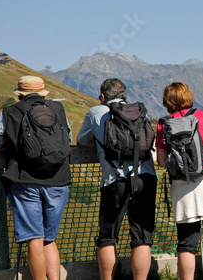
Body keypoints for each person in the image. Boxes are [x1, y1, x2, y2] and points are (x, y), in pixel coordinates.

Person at [0, 76, 71, 280]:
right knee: (50, 239)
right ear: (43, 93)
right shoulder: (58, 110)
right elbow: (66, 138)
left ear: (19, 95)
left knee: (34, 239)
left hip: (25, 182)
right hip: (58, 180)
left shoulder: (10, 112)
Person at [77, 78, 157, 280]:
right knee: (141, 239)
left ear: (102, 97)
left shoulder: (96, 112)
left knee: (107, 238)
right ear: (124, 96)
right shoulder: (139, 111)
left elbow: (81, 140)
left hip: (116, 180)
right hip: (145, 177)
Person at [156, 81, 203, 280]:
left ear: (167, 101)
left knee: (187, 243)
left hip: (183, 186)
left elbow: (162, 162)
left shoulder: (164, 123)